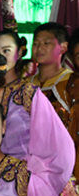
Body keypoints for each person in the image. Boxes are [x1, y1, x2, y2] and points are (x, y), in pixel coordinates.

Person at [28, 23, 79, 180]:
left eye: (46, 43)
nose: (39, 48)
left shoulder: (73, 83)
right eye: (35, 43)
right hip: (30, 163)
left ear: (63, 48)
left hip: (65, 164)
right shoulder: (23, 85)